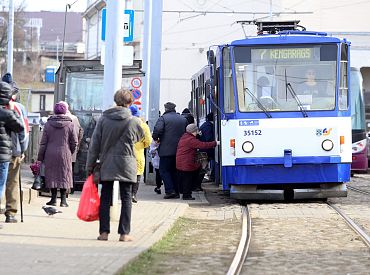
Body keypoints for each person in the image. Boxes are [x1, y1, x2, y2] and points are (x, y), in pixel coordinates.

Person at [86, 89, 144, 242]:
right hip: (127, 164)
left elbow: (95, 145)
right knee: (126, 198)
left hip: (107, 163)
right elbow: (140, 138)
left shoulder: (104, 119)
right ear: (130, 102)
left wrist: (89, 166)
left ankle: (104, 233)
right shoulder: (134, 121)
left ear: (115, 100)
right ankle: (124, 234)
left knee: (105, 197)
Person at [37, 103, 78, 207]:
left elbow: (43, 143)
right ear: (65, 111)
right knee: (65, 174)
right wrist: (70, 151)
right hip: (65, 152)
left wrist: (40, 157)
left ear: (55, 111)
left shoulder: (48, 124)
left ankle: (53, 199)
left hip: (50, 153)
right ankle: (63, 201)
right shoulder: (70, 124)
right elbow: (74, 142)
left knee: (52, 175)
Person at [4, 78, 29, 223]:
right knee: (12, 181)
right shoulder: (19, 108)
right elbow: (24, 131)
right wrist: (23, 149)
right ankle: (10, 213)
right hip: (14, 150)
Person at [0, 81, 24, 229]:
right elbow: (21, 127)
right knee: (4, 184)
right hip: (4, 155)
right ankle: (10, 214)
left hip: (6, 154)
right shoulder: (9, 112)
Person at [152, 102, 187, 199]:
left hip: (166, 151)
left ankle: (170, 190)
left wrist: (156, 138)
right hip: (179, 150)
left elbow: (157, 131)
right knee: (175, 172)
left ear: (166, 109)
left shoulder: (163, 118)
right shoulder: (183, 119)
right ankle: (176, 192)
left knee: (164, 171)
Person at [176, 123, 217, 200]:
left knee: (184, 178)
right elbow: (202, 145)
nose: (197, 132)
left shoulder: (184, 137)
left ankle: (184, 192)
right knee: (188, 179)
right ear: (193, 131)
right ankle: (187, 195)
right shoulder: (191, 140)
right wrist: (215, 143)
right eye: (196, 131)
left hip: (181, 161)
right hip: (186, 163)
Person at [59, 101, 84, 193]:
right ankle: (70, 188)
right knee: (70, 169)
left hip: (60, 149)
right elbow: (80, 132)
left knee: (60, 169)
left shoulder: (55, 119)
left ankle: (61, 191)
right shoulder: (74, 118)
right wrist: (77, 145)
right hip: (71, 149)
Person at [129, 104, 151, 203]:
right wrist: (142, 145)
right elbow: (148, 140)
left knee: (127, 175)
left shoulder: (124, 123)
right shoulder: (143, 125)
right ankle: (133, 194)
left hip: (126, 153)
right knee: (137, 175)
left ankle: (126, 194)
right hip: (138, 153)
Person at [198, 112, 215, 187]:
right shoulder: (208, 126)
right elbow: (208, 139)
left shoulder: (205, 125)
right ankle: (197, 185)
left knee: (203, 167)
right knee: (203, 167)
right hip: (206, 150)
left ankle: (198, 184)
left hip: (203, 149)